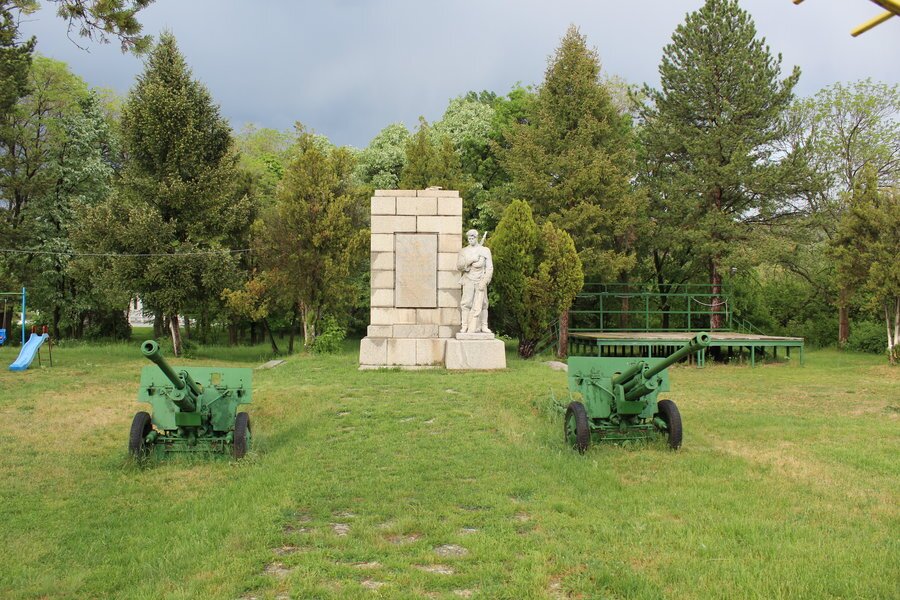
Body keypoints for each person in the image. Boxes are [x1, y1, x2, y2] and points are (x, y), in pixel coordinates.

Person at [456, 229, 493, 334]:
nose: (470, 240)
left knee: (484, 303)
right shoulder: (464, 251)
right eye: (469, 238)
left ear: (476, 238)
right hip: (468, 279)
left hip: (481, 279)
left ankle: (484, 326)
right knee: (466, 303)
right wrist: (471, 259)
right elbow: (459, 266)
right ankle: (465, 326)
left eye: (472, 238)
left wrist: (485, 281)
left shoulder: (485, 250)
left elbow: (489, 268)